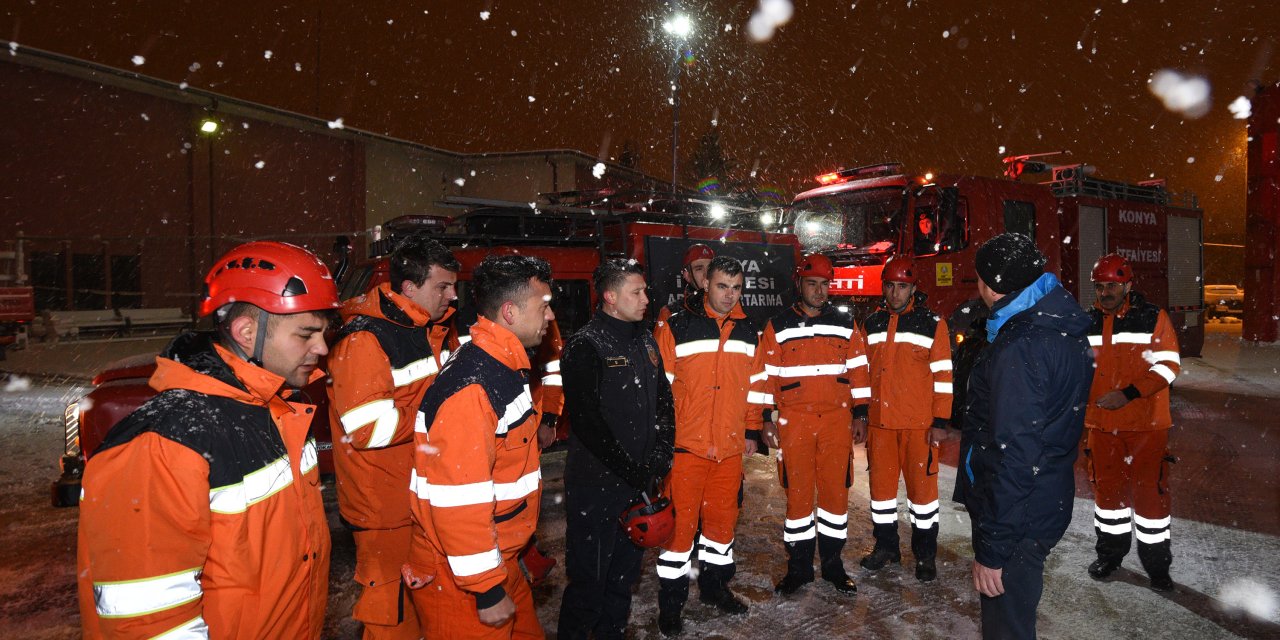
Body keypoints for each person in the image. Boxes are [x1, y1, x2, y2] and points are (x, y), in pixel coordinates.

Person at [77, 241, 341, 638]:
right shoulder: (164, 441)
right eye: (307, 333)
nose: (321, 349)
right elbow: (149, 619)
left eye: (324, 333)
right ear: (247, 331)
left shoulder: (283, 409)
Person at [405, 254, 553, 639]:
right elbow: (458, 501)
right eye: (544, 307)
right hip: (463, 578)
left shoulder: (502, 367)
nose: (551, 317)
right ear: (510, 312)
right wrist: (486, 589)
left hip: (498, 558)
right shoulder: (474, 387)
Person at [956, 232, 1093, 639]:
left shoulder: (1021, 344)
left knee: (1008, 628)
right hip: (1044, 497)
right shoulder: (1060, 325)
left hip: (1019, 515)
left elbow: (1015, 454)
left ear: (991, 284)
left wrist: (994, 549)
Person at [327, 234, 458, 639]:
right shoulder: (366, 339)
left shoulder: (423, 327)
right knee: (391, 617)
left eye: (454, 286)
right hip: (384, 511)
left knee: (419, 609)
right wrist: (441, 412)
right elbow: (368, 430)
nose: (452, 296)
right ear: (409, 288)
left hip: (412, 498)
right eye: (443, 287)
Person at [557, 259, 676, 639]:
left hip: (636, 485)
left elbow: (663, 401)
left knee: (622, 583)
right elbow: (587, 423)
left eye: (644, 291)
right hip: (596, 487)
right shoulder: (585, 346)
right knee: (588, 585)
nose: (645, 299)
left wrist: (661, 453)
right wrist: (631, 468)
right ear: (610, 297)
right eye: (636, 292)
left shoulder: (644, 339)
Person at [652, 255, 770, 636]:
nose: (729, 295)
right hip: (686, 448)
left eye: (736, 288)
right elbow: (659, 392)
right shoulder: (678, 325)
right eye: (722, 286)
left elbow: (756, 388)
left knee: (722, 527)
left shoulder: (750, 330)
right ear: (706, 284)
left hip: (730, 450)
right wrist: (661, 441)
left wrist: (752, 431)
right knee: (678, 534)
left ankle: (715, 588)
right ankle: (671, 607)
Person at [759, 253, 871, 596]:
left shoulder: (845, 322)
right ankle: (800, 568)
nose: (820, 291)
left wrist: (861, 413)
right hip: (796, 424)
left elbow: (859, 370)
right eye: (813, 284)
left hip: (837, 422)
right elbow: (765, 377)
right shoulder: (778, 325)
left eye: (825, 284)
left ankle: (833, 567)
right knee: (798, 499)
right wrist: (765, 420)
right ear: (799, 285)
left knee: (836, 496)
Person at [1083, 254, 1181, 591]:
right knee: (1108, 501)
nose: (1105, 291)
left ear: (1128, 285)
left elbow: (1169, 366)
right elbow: (1078, 371)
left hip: (1146, 427)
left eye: (1112, 285)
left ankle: (1157, 568)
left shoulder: (1153, 317)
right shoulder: (1088, 322)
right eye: (1100, 286)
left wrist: (1129, 394)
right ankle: (1110, 557)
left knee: (1151, 501)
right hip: (1102, 427)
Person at [859, 255, 954, 581]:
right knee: (881, 496)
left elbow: (943, 376)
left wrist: (940, 422)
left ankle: (925, 555)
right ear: (883, 287)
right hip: (880, 426)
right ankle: (886, 547)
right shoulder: (871, 324)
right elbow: (861, 373)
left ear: (913, 288)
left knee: (923, 499)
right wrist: (860, 413)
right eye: (890, 286)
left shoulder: (932, 324)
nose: (895, 293)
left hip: (920, 427)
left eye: (902, 286)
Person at [656, 243, 715, 324]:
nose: (706, 274)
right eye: (699, 269)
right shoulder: (670, 314)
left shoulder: (730, 305)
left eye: (710, 268)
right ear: (687, 276)